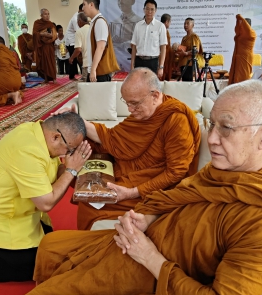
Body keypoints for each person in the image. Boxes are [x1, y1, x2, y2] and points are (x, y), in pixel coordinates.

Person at [3, 80, 262, 295]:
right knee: (51, 246)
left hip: (148, 272)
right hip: (138, 241)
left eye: (226, 127)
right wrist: (144, 216)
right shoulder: (223, 170)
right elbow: (179, 193)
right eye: (212, 124)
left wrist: (148, 256)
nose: (211, 139)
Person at [0, 112, 92, 284]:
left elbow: (59, 170)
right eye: (69, 150)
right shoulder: (27, 150)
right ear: (56, 137)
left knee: (53, 248)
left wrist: (72, 170)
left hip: (24, 217)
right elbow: (46, 203)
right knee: (43, 265)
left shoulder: (39, 133)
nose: (69, 154)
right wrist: (72, 171)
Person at [58, 67, 201, 230]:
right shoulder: (145, 112)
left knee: (92, 202)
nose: (130, 110)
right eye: (126, 103)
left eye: (134, 104)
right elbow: (114, 138)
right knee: (85, 167)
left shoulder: (176, 121)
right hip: (129, 170)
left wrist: (131, 192)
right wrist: (77, 121)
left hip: (154, 187)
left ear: (154, 96)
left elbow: (176, 173)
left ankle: (96, 246)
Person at [83, 0, 120, 82]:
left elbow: (101, 47)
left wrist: (93, 70)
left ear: (91, 5)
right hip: (96, 70)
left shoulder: (100, 22)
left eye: (84, 4)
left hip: (100, 71)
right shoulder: (95, 22)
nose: (82, 8)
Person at [131, 0, 167, 78]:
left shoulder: (160, 26)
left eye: (152, 9)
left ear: (155, 11)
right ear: (144, 10)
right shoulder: (138, 25)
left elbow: (163, 47)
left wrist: (161, 67)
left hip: (152, 62)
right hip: (139, 61)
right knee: (138, 85)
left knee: (151, 87)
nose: (149, 11)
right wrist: (132, 64)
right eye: (147, 9)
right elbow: (134, 46)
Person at [110, 0, 143, 71]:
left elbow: (141, 42)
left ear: (132, 1)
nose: (121, 2)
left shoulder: (140, 22)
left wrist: (123, 42)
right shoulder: (114, 23)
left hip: (134, 60)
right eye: (119, 0)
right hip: (118, 61)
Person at [228, 14, 256, 84]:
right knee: (235, 74)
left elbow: (247, 30)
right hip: (237, 56)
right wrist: (238, 20)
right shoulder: (240, 34)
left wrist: (239, 17)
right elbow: (237, 29)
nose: (241, 26)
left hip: (245, 57)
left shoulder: (251, 33)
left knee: (243, 74)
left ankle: (243, 90)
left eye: (242, 25)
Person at [33, 8, 58, 83]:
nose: (47, 16)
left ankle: (53, 78)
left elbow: (54, 35)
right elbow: (34, 34)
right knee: (43, 63)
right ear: (41, 15)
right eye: (45, 14)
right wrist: (42, 34)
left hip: (49, 46)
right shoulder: (37, 23)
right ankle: (46, 78)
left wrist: (50, 36)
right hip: (42, 47)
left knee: (51, 63)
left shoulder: (50, 24)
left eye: (48, 14)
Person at [176, 18, 205, 82]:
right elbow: (183, 50)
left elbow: (195, 50)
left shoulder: (194, 36)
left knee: (189, 83)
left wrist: (186, 53)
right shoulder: (184, 38)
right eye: (184, 24)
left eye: (187, 23)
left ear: (193, 25)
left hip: (190, 64)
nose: (185, 25)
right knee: (184, 82)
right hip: (183, 63)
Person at [65, 3, 84, 80]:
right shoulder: (75, 18)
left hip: (75, 40)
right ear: (80, 10)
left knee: (78, 58)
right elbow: (79, 30)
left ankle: (81, 75)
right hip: (71, 41)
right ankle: (72, 76)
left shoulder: (80, 17)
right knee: (74, 58)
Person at [69, 12, 90, 82]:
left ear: (79, 21)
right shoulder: (93, 27)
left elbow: (78, 49)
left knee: (86, 85)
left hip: (87, 62)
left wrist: (71, 58)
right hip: (97, 62)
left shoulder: (79, 32)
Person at [161, 13, 173, 81]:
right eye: (170, 22)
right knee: (163, 73)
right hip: (164, 56)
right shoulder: (162, 30)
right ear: (167, 22)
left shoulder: (165, 30)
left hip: (167, 55)